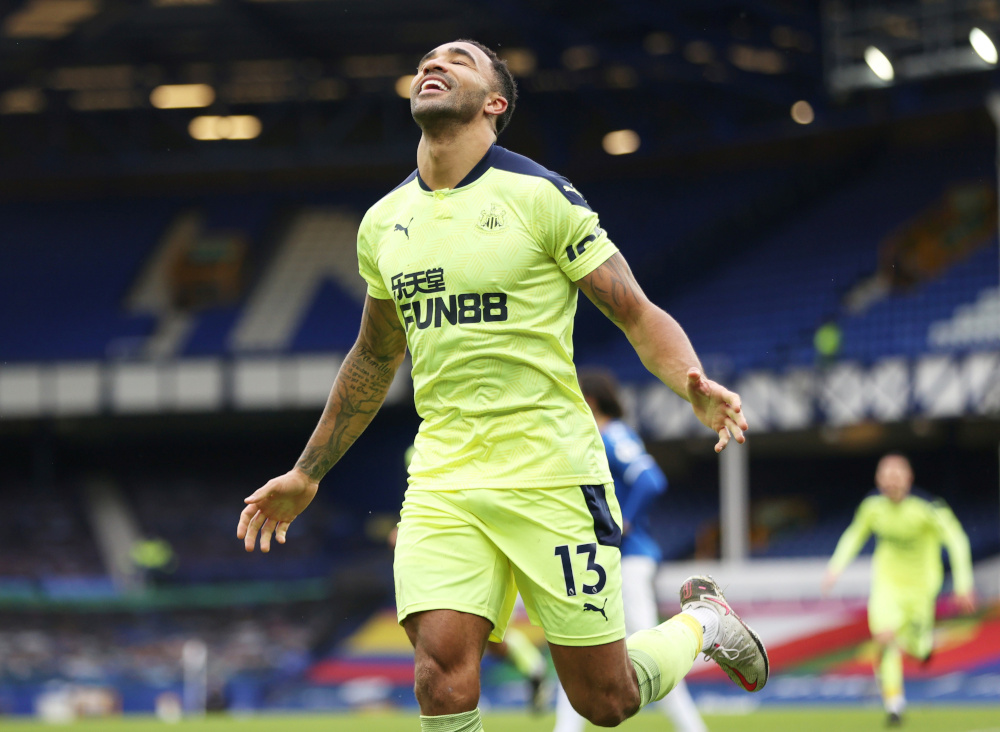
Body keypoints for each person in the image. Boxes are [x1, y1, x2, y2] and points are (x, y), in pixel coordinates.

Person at [237, 38, 767, 732]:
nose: (434, 64)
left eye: (458, 59)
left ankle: (703, 622)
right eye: (427, 60)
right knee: (440, 678)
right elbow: (372, 356)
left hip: (551, 472)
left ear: (495, 102)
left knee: (603, 700)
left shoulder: (540, 196)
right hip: (445, 478)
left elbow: (635, 311)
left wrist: (690, 383)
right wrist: (308, 472)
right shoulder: (383, 223)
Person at [550, 368, 707, 732]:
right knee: (577, 649)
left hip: (627, 559)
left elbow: (650, 479)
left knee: (649, 650)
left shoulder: (612, 434)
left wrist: (623, 522)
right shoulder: (595, 439)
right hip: (604, 561)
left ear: (589, 401)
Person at [822, 453, 975, 727]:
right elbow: (855, 534)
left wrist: (963, 584)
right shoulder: (872, 507)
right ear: (878, 479)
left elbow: (957, 539)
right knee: (884, 637)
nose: (891, 482)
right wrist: (835, 568)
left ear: (909, 478)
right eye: (886, 476)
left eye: (897, 476)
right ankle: (894, 705)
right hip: (887, 585)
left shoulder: (929, 508)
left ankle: (923, 646)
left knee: (917, 648)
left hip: (922, 587)